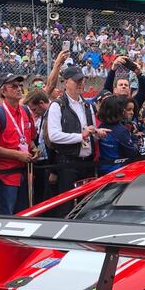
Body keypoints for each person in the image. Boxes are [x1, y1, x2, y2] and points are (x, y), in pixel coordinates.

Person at [46, 66, 103, 194]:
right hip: (68, 162)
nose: (81, 83)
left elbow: (92, 130)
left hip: (87, 162)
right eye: (77, 80)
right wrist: (80, 136)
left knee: (86, 201)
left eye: (82, 80)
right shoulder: (57, 105)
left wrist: (98, 133)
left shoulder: (88, 105)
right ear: (66, 82)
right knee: (67, 203)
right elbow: (54, 136)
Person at [0, 73, 37, 215]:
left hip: (25, 173)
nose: (19, 89)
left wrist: (34, 149)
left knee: (25, 214)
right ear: (2, 91)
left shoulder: (26, 111)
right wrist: (17, 155)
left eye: (20, 85)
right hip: (5, 175)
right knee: (7, 217)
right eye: (14, 86)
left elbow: (30, 139)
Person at [97, 94, 139, 174]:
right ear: (119, 111)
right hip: (117, 171)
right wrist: (134, 138)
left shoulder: (101, 126)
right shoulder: (121, 130)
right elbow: (132, 153)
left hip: (101, 169)